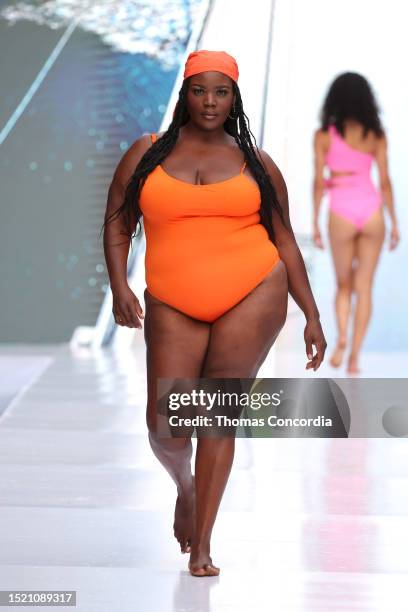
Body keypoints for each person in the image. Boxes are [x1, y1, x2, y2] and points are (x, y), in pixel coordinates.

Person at [102, 50, 326, 577]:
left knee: (219, 412)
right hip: (172, 300)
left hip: (253, 289)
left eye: (221, 92)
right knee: (168, 429)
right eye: (200, 90)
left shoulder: (257, 163)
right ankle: (187, 488)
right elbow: (116, 223)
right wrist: (118, 287)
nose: (210, 101)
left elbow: (285, 240)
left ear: (234, 98)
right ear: (185, 94)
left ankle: (203, 546)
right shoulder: (148, 153)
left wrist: (310, 313)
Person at [312, 72, 400, 374]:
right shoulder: (376, 135)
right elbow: (385, 182)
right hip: (372, 209)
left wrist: (313, 222)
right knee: (364, 287)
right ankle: (354, 358)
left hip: (341, 210)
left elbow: (318, 184)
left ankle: (342, 340)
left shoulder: (324, 135)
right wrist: (396, 224)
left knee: (343, 285)